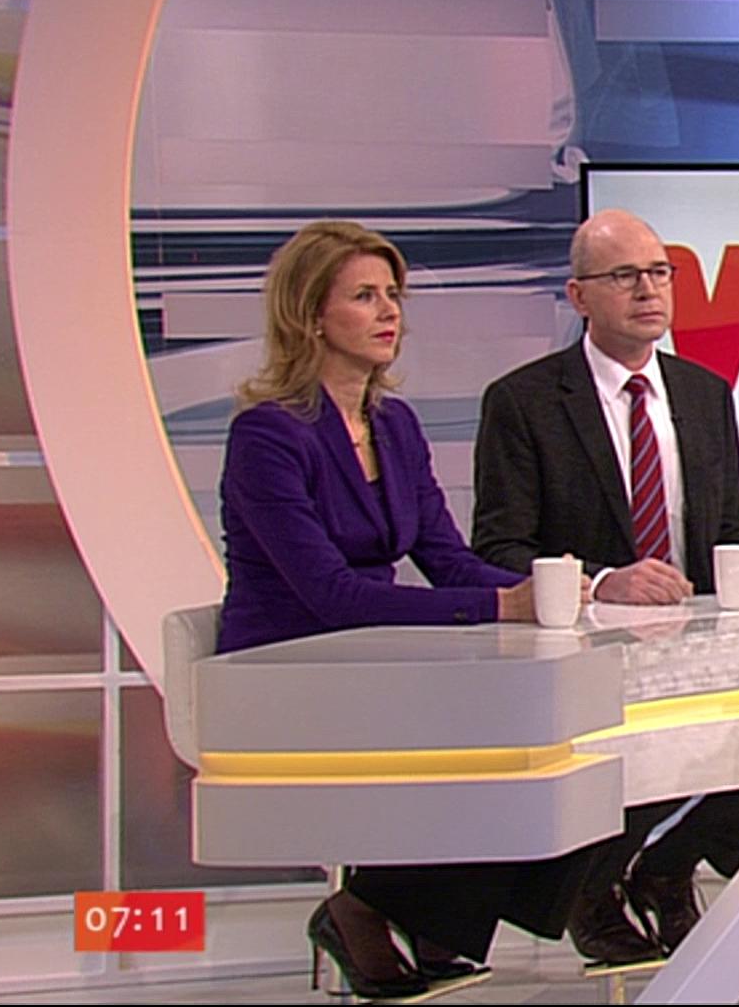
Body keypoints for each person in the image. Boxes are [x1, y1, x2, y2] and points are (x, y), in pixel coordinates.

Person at [216, 220, 597, 999]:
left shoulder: (394, 424)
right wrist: (500, 606)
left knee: (561, 731)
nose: (390, 311)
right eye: (364, 296)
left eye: (393, 294)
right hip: (284, 668)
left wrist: (547, 592)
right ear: (309, 315)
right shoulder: (267, 436)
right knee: (498, 732)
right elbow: (329, 594)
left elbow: (446, 558)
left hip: (373, 655)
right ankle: (373, 908)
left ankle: (420, 913)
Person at [472, 207, 739, 966]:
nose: (648, 290)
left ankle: (667, 866)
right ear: (579, 295)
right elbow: (498, 548)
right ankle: (590, 888)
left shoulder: (706, 393)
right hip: (591, 660)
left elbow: (730, 526)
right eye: (624, 276)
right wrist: (602, 583)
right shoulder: (524, 401)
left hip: (703, 653)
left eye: (659, 272)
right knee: (635, 754)